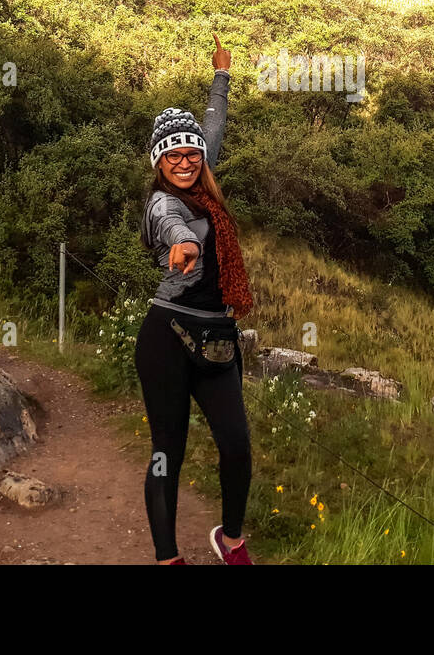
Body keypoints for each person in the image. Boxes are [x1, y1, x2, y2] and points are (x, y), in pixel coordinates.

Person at [136, 34, 255, 565]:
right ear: (159, 164)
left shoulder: (204, 180)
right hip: (167, 337)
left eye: (190, 154)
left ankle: (230, 539)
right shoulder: (163, 204)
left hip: (218, 338)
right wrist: (182, 244)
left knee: (237, 447)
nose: (183, 161)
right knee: (168, 453)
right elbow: (171, 226)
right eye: (172, 156)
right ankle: (168, 558)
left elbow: (213, 128)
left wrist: (222, 74)